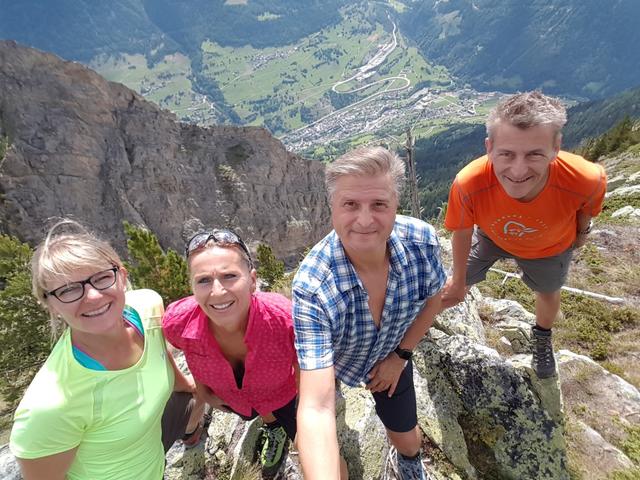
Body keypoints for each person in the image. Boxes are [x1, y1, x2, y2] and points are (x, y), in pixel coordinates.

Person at [292, 146, 446, 480]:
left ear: (395, 207)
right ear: (332, 209)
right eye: (350, 205)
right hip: (333, 364)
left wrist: (401, 357)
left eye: (379, 204)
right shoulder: (314, 286)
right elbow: (316, 407)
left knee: (407, 440)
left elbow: (434, 300)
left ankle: (408, 462)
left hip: (391, 353)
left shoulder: (423, 242)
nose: (364, 220)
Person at [9, 220, 205, 480]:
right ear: (51, 304)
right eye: (68, 289)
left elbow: (160, 354)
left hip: (152, 448)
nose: (92, 296)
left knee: (203, 387)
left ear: (121, 276)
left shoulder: (148, 307)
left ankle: (190, 432)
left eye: (101, 277)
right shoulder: (50, 406)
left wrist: (188, 387)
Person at [441, 91, 607, 378]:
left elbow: (586, 208)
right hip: (491, 237)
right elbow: (462, 229)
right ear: (489, 147)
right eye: (506, 154)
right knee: (450, 285)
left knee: (548, 291)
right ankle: (415, 331)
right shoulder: (469, 183)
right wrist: (458, 280)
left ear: (556, 147)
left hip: (549, 248)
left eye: (534, 154)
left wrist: (581, 234)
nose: (518, 170)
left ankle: (542, 336)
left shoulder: (585, 178)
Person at [162, 228, 298, 475]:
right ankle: (273, 427)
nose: (217, 291)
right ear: (192, 287)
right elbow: (189, 349)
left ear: (253, 280)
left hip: (285, 395)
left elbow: (305, 364)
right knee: (259, 410)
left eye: (229, 276)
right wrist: (202, 390)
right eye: (203, 280)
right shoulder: (176, 322)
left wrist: (308, 422)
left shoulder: (283, 318)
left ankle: (279, 425)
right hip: (233, 399)